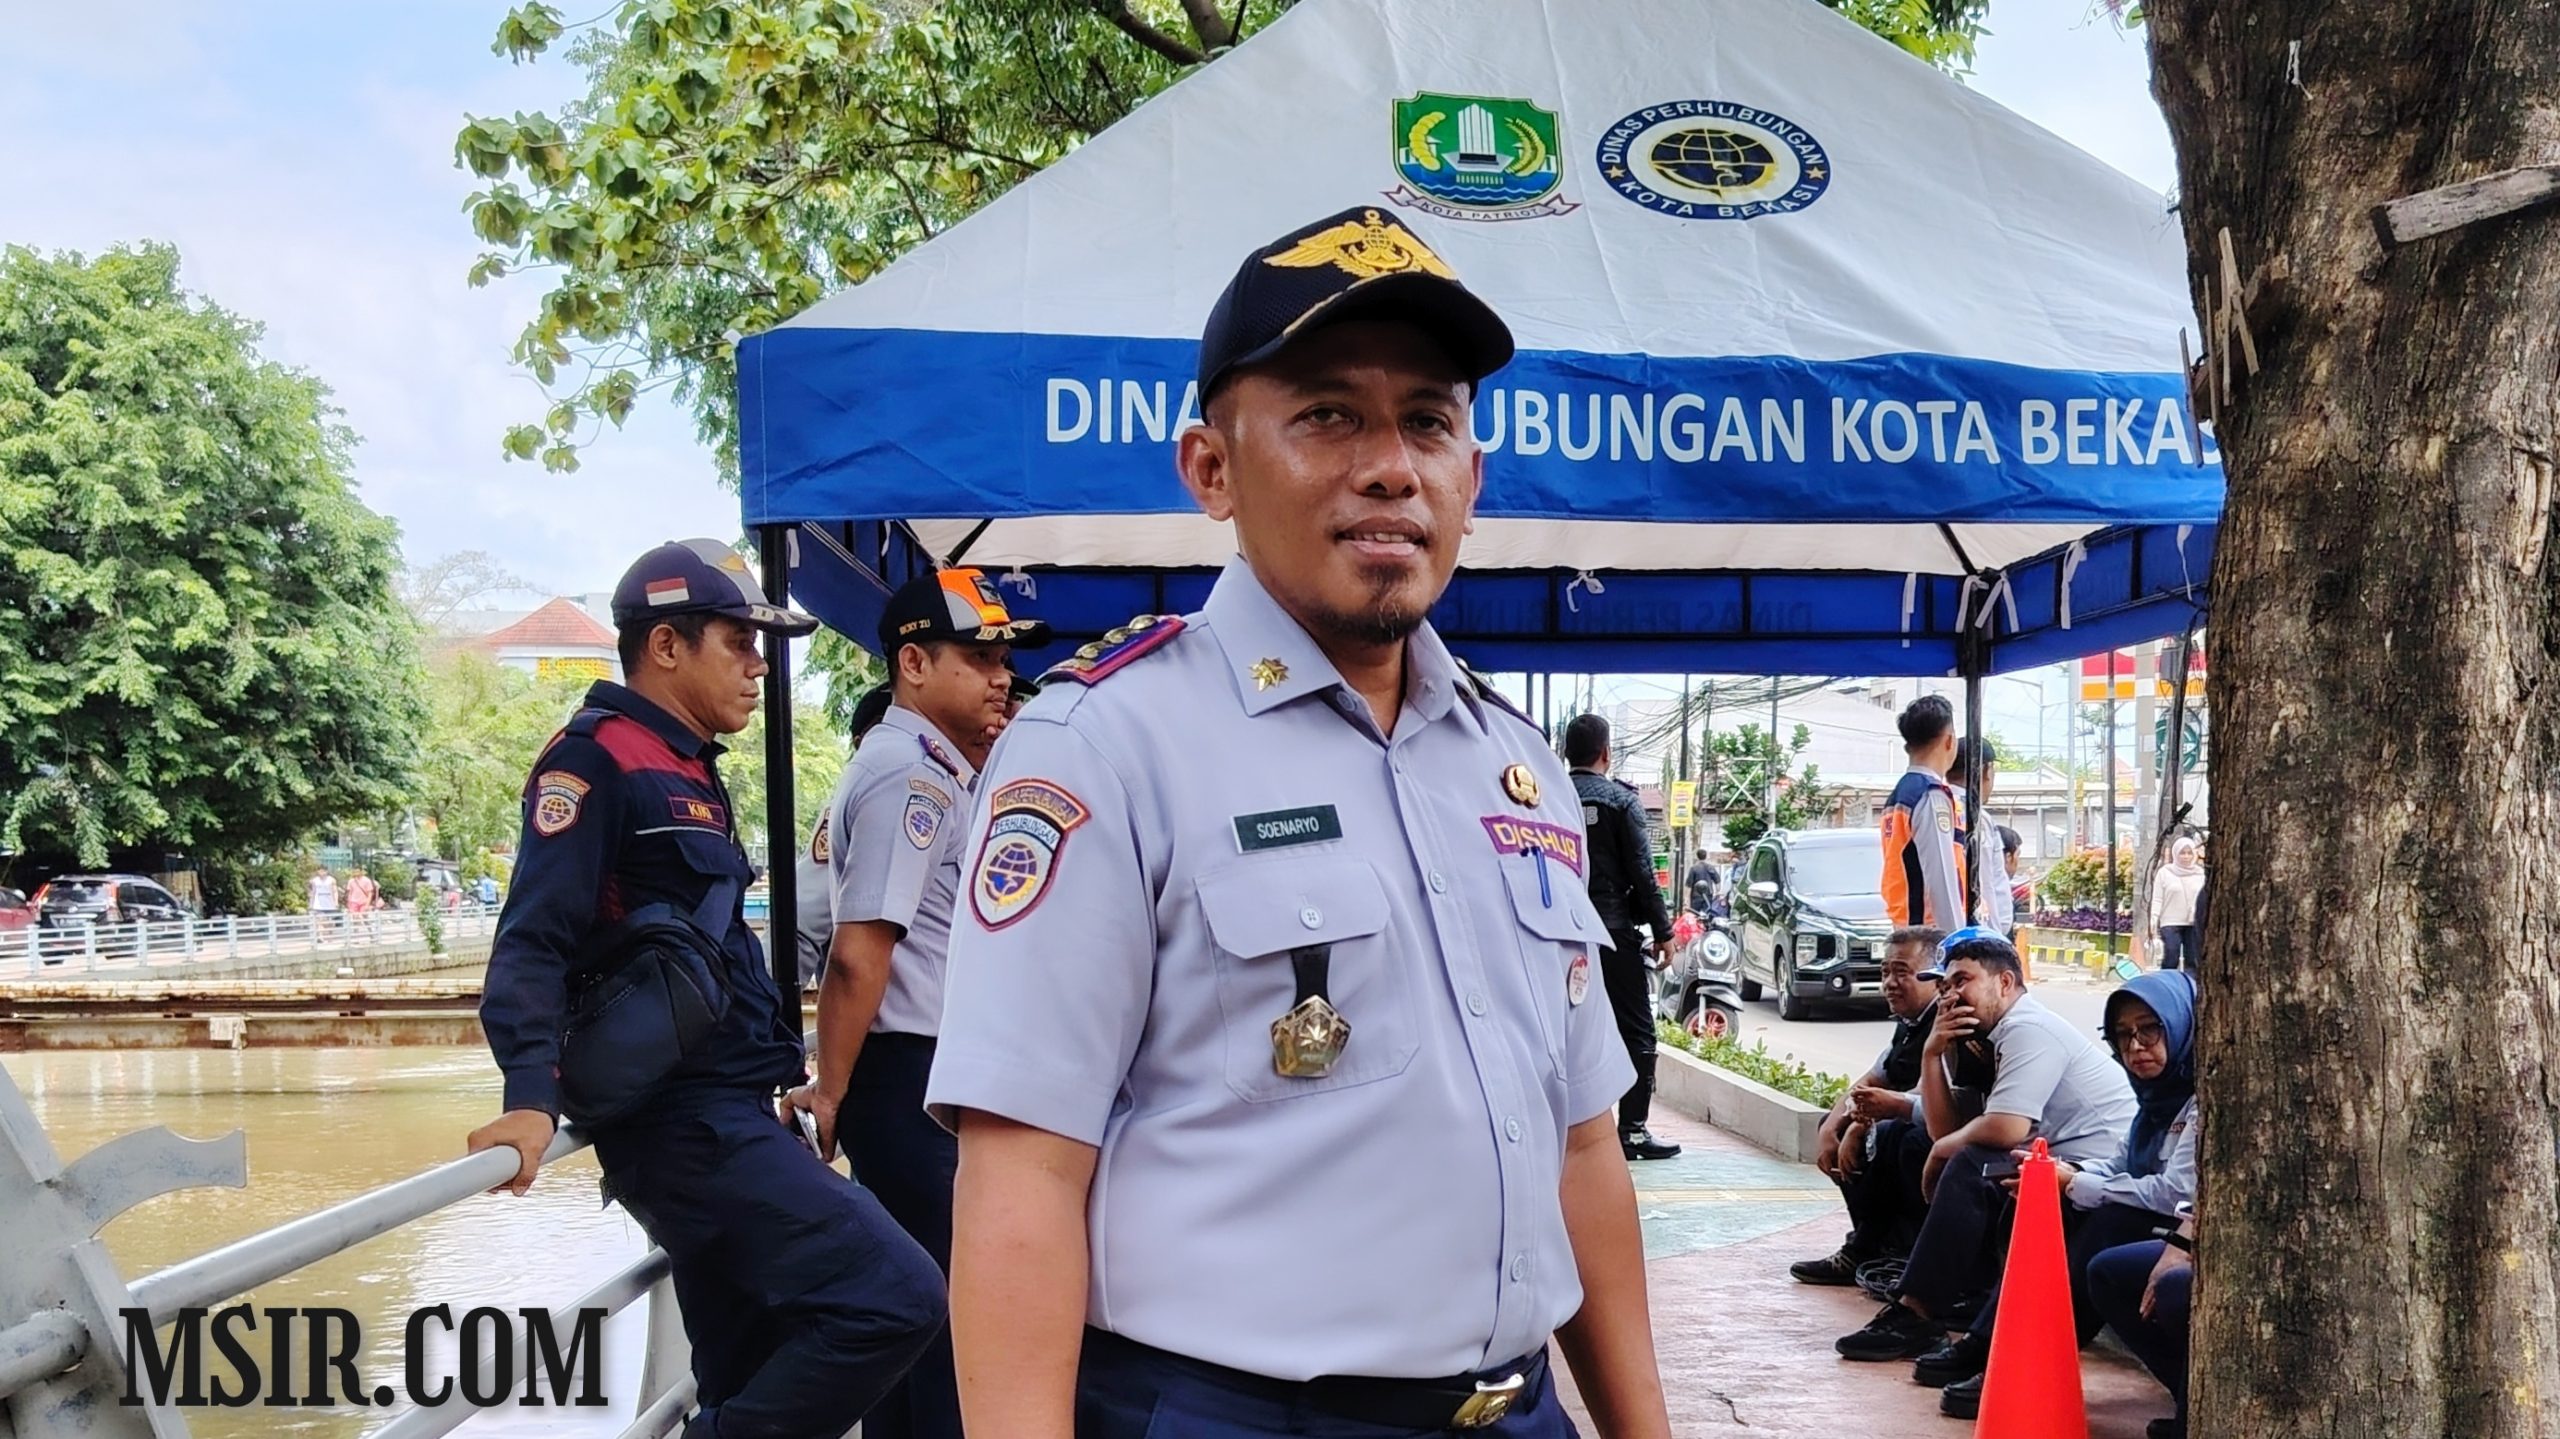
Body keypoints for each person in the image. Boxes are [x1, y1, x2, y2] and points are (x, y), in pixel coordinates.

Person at [926, 206, 1673, 1439]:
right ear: (1210, 469)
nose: (1392, 464)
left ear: (1471, 480)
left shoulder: (1516, 768)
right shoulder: (1107, 744)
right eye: (1328, 414)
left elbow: (1583, 1144)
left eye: (1428, 420)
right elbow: (1022, 1176)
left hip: (1516, 1411)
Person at [469, 538, 944, 1439]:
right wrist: (529, 1097)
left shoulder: (686, 763)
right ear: (666, 646)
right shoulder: (595, 762)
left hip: (730, 1112)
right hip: (684, 1131)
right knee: (899, 1294)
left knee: (747, 1361)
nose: (758, 665)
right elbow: (532, 939)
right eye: (739, 641)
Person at [785, 568, 1044, 1439]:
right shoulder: (912, 776)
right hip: (903, 1073)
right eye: (978, 657)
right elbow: (861, 956)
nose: (1000, 675)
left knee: (917, 1300)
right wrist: (831, 1093)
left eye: (1005, 657)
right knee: (941, 1309)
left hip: (920, 1069)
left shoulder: (937, 768)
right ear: (914, 664)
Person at [1835, 930, 2136, 1362]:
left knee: (1969, 1163)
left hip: (2097, 1168)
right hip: (2049, 1161)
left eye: (1962, 981)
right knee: (1945, 1153)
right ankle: (1928, 1310)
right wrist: (1932, 1055)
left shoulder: (2027, 1027)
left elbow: (2006, 1127)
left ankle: (1919, 1315)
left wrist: (1943, 1151)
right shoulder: (1980, 1037)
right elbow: (1945, 1129)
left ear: (2005, 983)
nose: (1950, 996)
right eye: (1944, 986)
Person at [1931, 968, 2199, 1414]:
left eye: (2150, 1030)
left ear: (2181, 1025)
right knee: (2052, 1199)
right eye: (2123, 1035)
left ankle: (2026, 1362)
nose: (2136, 1047)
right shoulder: (2154, 1101)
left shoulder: (2200, 1100)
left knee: (2105, 1220)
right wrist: (2059, 1174)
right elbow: (2119, 1163)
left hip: (2185, 1227)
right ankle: (1993, 1346)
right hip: (2158, 1217)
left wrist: (2076, 1182)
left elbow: (2174, 1192)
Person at [1793, 926, 1943, 1285]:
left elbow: (1923, 1096)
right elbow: (1875, 1077)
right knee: (1840, 1126)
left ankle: (1895, 1251)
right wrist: (1833, 1125)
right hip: (1906, 1118)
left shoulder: (1944, 1019)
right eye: (1885, 972)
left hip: (1946, 1131)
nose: (1890, 982)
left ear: (1935, 977)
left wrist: (1860, 1127)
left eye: (1902, 972)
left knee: (1893, 1137)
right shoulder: (1909, 1022)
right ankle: (1869, 1244)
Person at [1566, 712, 1681, 1162]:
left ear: (1565, 753)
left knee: (1560, 1031)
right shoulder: (1621, 801)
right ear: (1606, 753)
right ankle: (1631, 1130)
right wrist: (1664, 932)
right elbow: (1642, 873)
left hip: (1561, 935)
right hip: (1613, 934)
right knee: (1636, 1030)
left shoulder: (1545, 796)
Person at [793, 685, 897, 989]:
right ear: (862, 743)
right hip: (879, 1024)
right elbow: (801, 924)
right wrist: (764, 1020)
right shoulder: (852, 808)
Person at [2087, 1208, 2194, 1439]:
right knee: (2106, 1272)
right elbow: (2198, 1202)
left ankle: (2186, 1423)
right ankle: (2191, 1401)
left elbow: (2176, 1186)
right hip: (2199, 1233)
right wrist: (2178, 1248)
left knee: (2173, 1288)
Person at [1881, 696, 1967, 931]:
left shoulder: (1900, 794)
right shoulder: (1931, 795)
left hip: (1906, 927)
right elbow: (1942, 880)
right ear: (1949, 741)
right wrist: (1956, 941)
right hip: (1928, 933)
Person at [1952, 737, 2010, 936]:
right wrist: (1996, 936)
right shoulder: (1976, 817)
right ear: (1986, 770)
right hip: (1978, 932)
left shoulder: (1934, 804)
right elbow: (1987, 883)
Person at [2152, 837, 2205, 971]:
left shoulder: (2200, 874)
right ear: (2175, 854)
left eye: (2189, 853)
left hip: (2193, 922)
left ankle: (2190, 987)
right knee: (2171, 954)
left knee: (2193, 959)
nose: (2186, 857)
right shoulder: (2165, 873)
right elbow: (2157, 898)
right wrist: (2154, 919)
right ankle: (2167, 984)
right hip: (2170, 922)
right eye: (2182, 853)